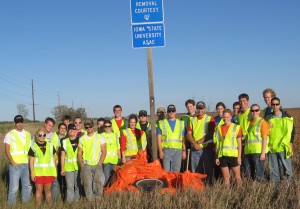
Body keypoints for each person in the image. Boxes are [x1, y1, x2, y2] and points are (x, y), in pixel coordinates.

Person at [265, 97, 295, 184]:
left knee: (287, 168)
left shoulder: (287, 116)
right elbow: (264, 132)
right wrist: (268, 127)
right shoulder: (267, 118)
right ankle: (275, 187)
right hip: (272, 147)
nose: (275, 106)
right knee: (273, 169)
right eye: (273, 104)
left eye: (277, 104)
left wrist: (291, 142)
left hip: (284, 146)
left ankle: (289, 186)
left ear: (280, 105)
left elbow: (292, 131)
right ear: (271, 106)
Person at [4, 115, 32, 205]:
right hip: (15, 165)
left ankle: (26, 204)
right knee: (14, 188)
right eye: (17, 122)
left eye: (21, 122)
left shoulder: (28, 134)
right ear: (14, 123)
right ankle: (11, 205)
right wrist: (12, 162)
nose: (19, 124)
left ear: (23, 122)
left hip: (26, 164)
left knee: (27, 186)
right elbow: (7, 150)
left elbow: (30, 149)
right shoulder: (10, 134)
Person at [186, 101, 216, 185]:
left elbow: (210, 134)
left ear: (205, 109)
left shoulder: (210, 119)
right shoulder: (192, 120)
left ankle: (209, 188)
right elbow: (188, 135)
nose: (200, 110)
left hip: (207, 149)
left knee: (208, 170)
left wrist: (198, 142)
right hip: (195, 149)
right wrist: (195, 144)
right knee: (196, 171)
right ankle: (198, 188)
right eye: (198, 108)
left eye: (202, 108)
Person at [78, 119, 106, 201]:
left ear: (93, 126)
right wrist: (82, 165)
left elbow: (104, 151)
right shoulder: (82, 139)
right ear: (85, 128)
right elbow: (79, 154)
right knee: (87, 185)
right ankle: (90, 202)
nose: (88, 128)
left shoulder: (100, 137)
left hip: (97, 164)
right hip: (86, 165)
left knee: (99, 184)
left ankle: (98, 201)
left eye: (90, 126)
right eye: (86, 127)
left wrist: (100, 164)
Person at [214, 109, 242, 185]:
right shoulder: (218, 128)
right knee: (226, 177)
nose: (226, 119)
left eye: (227, 117)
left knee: (237, 177)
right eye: (224, 117)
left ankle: (239, 193)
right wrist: (216, 157)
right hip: (222, 156)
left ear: (231, 117)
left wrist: (239, 157)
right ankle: (227, 194)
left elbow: (239, 144)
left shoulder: (236, 127)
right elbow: (217, 143)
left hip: (233, 155)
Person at [29, 128, 57, 205]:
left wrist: (54, 170)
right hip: (38, 173)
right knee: (39, 191)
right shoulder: (33, 147)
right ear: (37, 136)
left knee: (48, 191)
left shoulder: (51, 146)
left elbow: (55, 159)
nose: (42, 136)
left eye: (44, 135)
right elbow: (31, 161)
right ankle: (38, 206)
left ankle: (50, 206)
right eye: (40, 135)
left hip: (49, 173)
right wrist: (32, 173)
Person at [157, 104, 186, 172]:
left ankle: (174, 183)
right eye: (169, 111)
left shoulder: (181, 123)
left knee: (176, 170)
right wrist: (160, 151)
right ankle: (167, 183)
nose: (171, 112)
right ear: (167, 113)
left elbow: (183, 138)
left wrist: (184, 151)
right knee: (166, 170)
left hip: (178, 150)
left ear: (175, 112)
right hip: (166, 150)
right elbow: (159, 138)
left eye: (173, 111)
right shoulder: (161, 123)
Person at [244, 104, 269, 181]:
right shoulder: (249, 122)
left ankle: (261, 189)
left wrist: (263, 153)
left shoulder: (262, 122)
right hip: (248, 151)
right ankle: (251, 189)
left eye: (256, 110)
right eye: (252, 110)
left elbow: (265, 138)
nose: (254, 112)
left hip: (258, 151)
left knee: (259, 173)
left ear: (259, 111)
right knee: (248, 173)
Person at [60, 123, 81, 203]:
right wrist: (62, 169)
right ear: (68, 130)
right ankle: (69, 204)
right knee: (70, 187)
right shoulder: (64, 141)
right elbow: (62, 156)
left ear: (76, 130)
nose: (72, 131)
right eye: (70, 129)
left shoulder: (80, 140)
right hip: (68, 167)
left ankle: (76, 203)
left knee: (77, 186)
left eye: (74, 129)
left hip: (78, 167)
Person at [44, 117, 60, 202]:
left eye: (52, 126)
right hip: (41, 165)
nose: (50, 127)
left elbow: (57, 150)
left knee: (54, 183)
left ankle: (55, 202)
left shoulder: (55, 136)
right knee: (43, 183)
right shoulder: (38, 135)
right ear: (45, 124)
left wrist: (56, 160)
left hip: (53, 164)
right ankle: (45, 200)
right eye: (49, 125)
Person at [101, 120, 121, 185]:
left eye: (109, 126)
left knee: (113, 177)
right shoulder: (101, 135)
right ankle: (103, 191)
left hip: (114, 160)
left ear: (111, 126)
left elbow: (118, 148)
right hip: (106, 160)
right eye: (106, 126)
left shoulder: (115, 135)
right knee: (106, 177)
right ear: (104, 127)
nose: (107, 128)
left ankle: (111, 191)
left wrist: (119, 158)